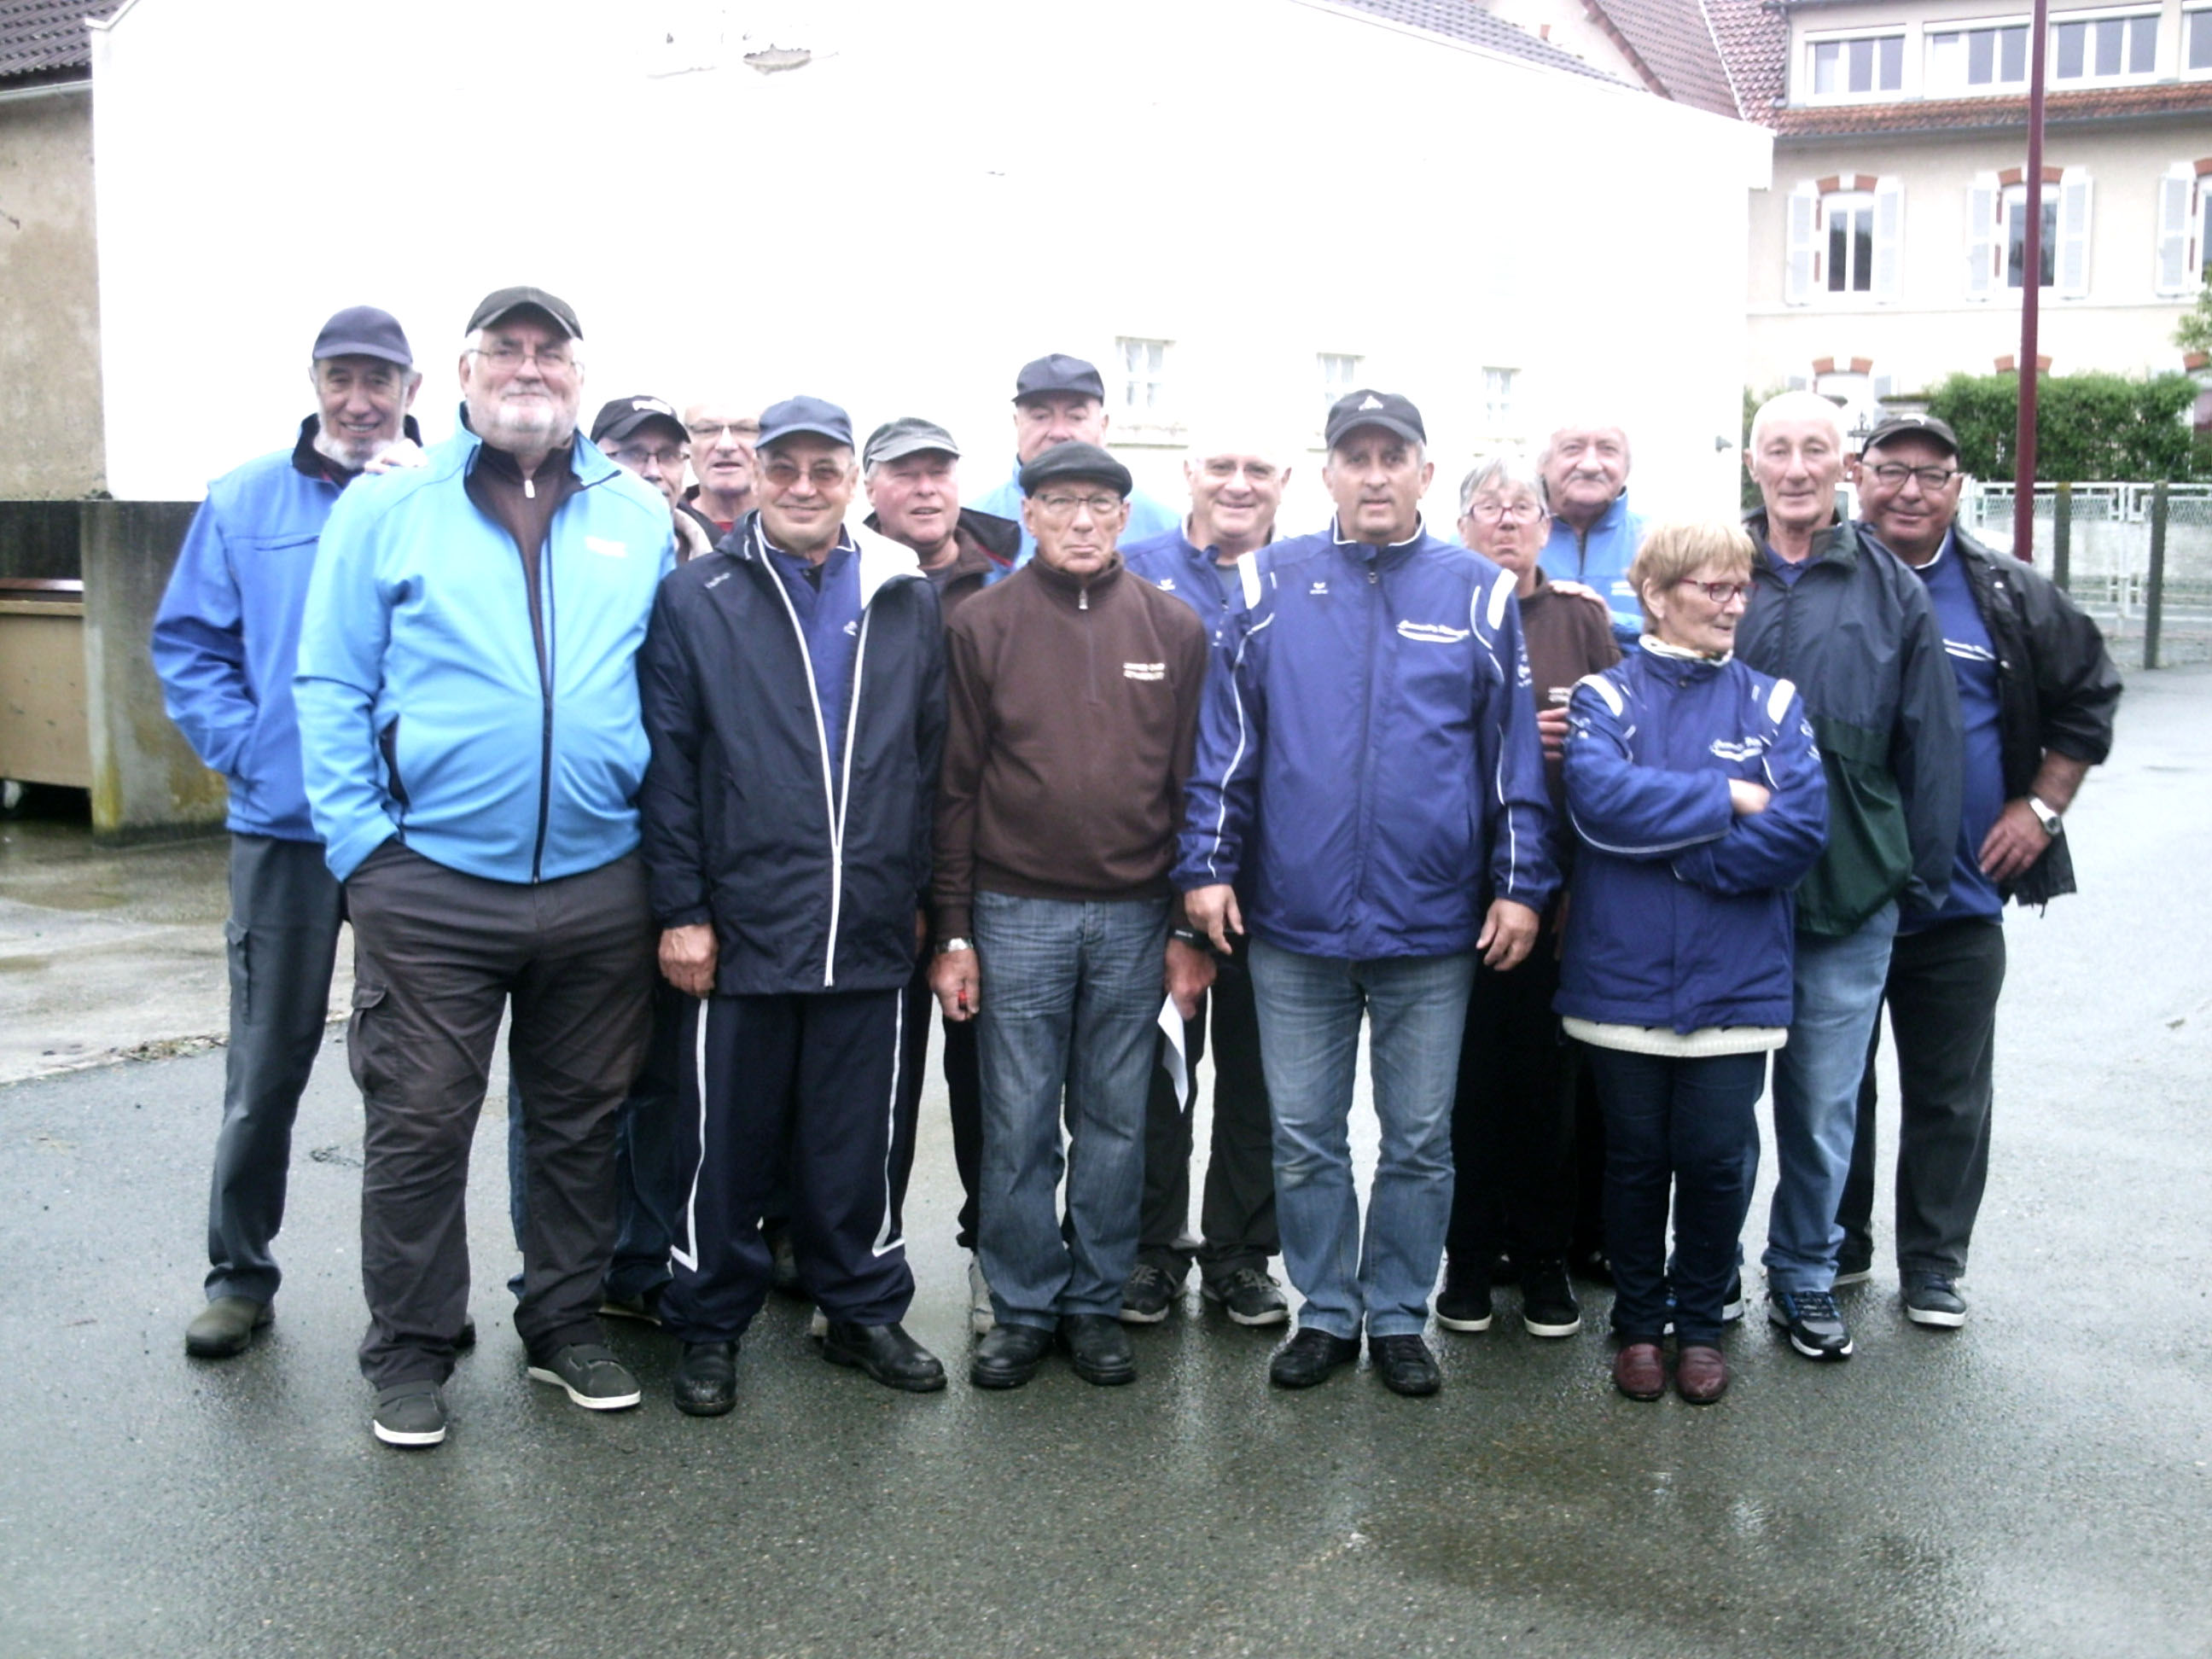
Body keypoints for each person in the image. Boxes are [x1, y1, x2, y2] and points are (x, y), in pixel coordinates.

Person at [295, 286, 674, 1448]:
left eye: (548, 352)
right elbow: (330, 684)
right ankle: (409, 1352)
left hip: (601, 877)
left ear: (576, 374)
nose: (527, 368)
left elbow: (670, 689)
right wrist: (367, 852)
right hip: (433, 881)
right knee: (419, 1123)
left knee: (577, 1123)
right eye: (502, 349)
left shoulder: (638, 515)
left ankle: (563, 1326)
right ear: (459, 376)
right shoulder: (391, 506)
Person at [1179, 390, 1556, 1398]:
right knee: (1303, 1137)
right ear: (1331, 473)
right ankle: (1327, 1312)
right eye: (1358, 456)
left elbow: (1509, 758)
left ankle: (1395, 1315)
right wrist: (1208, 867)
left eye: (1396, 456)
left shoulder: (1478, 592)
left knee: (1420, 1139)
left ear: (1427, 473)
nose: (1377, 474)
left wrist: (1520, 888)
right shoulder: (1264, 584)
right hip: (1294, 924)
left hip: (1432, 926)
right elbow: (1228, 748)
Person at [639, 397, 949, 1414]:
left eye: (826, 469)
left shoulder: (906, 595)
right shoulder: (700, 595)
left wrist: (926, 905)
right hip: (743, 925)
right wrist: (682, 910)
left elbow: (931, 761)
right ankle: (710, 1321)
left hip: (867, 922)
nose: (806, 488)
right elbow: (672, 769)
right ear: (756, 478)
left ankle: (860, 1309)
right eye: (787, 469)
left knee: (855, 1140)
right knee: (722, 1142)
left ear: (854, 480)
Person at [153, 305, 423, 1361]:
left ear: (410, 386)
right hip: (287, 826)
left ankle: (412, 1299)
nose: (360, 400)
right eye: (341, 378)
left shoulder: (434, 495)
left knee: (413, 1074)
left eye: (380, 380)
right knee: (268, 1062)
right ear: (314, 382)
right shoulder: (244, 499)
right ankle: (237, 1274)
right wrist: (253, 750)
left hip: (411, 829)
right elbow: (189, 645)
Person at [931, 441, 1214, 1390]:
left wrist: (1183, 927)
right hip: (1016, 912)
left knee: (1115, 1122)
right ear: (1031, 513)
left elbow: (1192, 788)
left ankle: (1093, 1303)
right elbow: (955, 786)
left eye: (1100, 503)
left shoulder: (1174, 628)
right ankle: (1020, 1306)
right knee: (1015, 1123)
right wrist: (955, 930)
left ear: (1125, 517)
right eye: (1061, 503)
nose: (1082, 520)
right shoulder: (982, 623)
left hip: (1136, 917)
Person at [1836, 413, 2121, 1325]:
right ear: (1859, 476)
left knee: (1950, 1094)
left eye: (1932, 473)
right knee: (1835, 1086)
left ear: (1960, 487)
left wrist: (2041, 808)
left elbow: (2088, 698)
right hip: (1838, 898)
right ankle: (1834, 1251)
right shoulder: (1816, 576)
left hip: (1959, 902)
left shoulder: (2006, 593)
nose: (1910, 489)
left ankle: (1932, 1264)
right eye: (1891, 470)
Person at [1558, 521, 1828, 1404]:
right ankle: (1639, 1323)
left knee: (1716, 1160)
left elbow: (1798, 833)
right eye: (1713, 588)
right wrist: (1726, 797)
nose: (1732, 603)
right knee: (1634, 1159)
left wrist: (1679, 853)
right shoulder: (1605, 696)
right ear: (1658, 596)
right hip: (1620, 980)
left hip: (1736, 983)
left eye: (1739, 587)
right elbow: (1598, 799)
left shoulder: (1774, 702)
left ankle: (1701, 1322)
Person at [1738, 390, 1961, 1363]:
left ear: (1846, 468)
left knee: (1823, 1108)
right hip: (1726, 894)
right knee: (1716, 1109)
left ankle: (1804, 1276)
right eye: (1779, 449)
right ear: (1753, 463)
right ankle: (1703, 1276)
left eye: (1815, 450)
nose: (1796, 468)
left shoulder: (1889, 587)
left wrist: (1917, 878)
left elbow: (1932, 745)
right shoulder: (1713, 566)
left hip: (1850, 892)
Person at [495, 392, 719, 1325]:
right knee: (562, 1081)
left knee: (665, 1078)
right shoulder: (557, 550)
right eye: (633, 452)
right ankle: (553, 1272)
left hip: (676, 861)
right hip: (577, 855)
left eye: (670, 454)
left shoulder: (714, 567)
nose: (655, 471)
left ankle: (643, 1261)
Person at [1438, 454, 1618, 1342]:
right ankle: (1469, 1256)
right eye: (1487, 507)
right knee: (1465, 1086)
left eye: (1522, 509)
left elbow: (1627, 744)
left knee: (1548, 1086)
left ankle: (1545, 1259)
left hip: (1556, 894)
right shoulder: (1442, 602)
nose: (1506, 522)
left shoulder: (1581, 621)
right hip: (1453, 893)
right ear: (1461, 523)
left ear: (1546, 528)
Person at [1117, 431, 1294, 1328]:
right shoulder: (1134, 572)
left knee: (1262, 1082)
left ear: (1286, 482)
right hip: (1156, 872)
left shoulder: (1308, 577)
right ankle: (1152, 1251)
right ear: (1187, 474)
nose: (1237, 483)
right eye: (1220, 466)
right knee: (1158, 1070)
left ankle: (1240, 1255)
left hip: (1279, 876)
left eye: (1258, 467)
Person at [859, 415, 1020, 1333]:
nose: (925, 490)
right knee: (868, 1086)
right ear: (869, 489)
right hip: (871, 867)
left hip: (979, 867)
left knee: (987, 1081)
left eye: (939, 474)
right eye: (904, 475)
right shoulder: (841, 575)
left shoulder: (1009, 573)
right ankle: (856, 1259)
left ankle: (994, 1251)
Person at [964, 353, 1179, 573]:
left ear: (1103, 426)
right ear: (1017, 424)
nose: (1059, 432)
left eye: (1076, 417)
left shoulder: (1162, 526)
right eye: (1040, 416)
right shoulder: (972, 524)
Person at [1537, 421, 1644, 645]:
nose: (1590, 465)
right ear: (1542, 464)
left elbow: (1687, 635)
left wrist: (1614, 623)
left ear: (1627, 467)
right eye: (1573, 449)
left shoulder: (1658, 542)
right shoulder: (1500, 540)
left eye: (1608, 450)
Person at [682, 399, 759, 538]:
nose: (725, 445)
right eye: (707, 430)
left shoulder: (797, 525)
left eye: (745, 429)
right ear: (685, 445)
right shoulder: (660, 526)